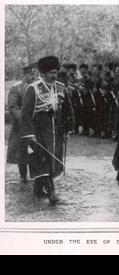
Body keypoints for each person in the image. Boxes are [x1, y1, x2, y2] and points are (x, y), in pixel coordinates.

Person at [20, 56, 74, 205]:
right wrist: (29, 135)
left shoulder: (61, 87)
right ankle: (52, 194)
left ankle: (38, 189)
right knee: (42, 160)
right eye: (50, 72)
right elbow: (26, 114)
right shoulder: (33, 89)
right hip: (38, 133)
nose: (53, 75)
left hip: (56, 131)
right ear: (42, 73)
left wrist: (68, 129)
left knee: (52, 161)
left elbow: (68, 110)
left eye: (56, 72)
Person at [7, 64, 36, 185]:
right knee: (21, 151)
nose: (34, 77)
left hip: (35, 125)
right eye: (31, 75)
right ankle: (23, 175)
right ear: (25, 75)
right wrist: (23, 120)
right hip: (21, 126)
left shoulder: (37, 87)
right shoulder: (17, 88)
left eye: (35, 74)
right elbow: (13, 107)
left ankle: (36, 174)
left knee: (36, 150)